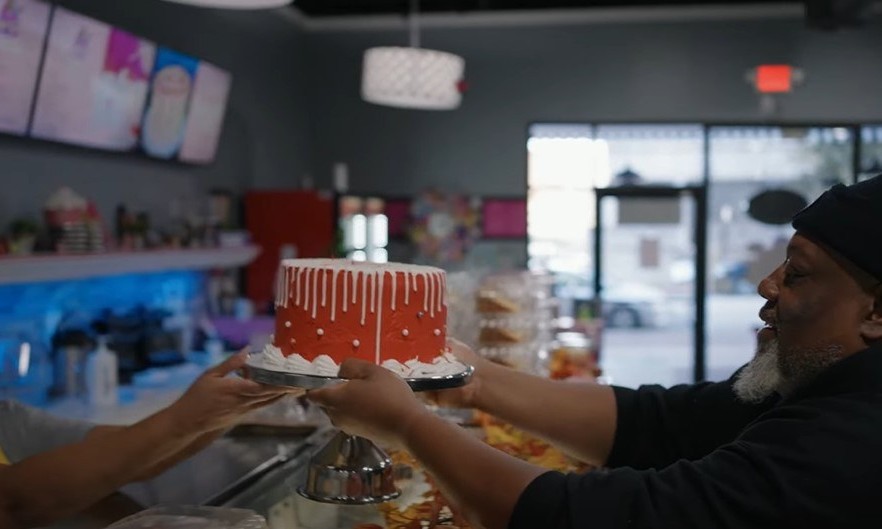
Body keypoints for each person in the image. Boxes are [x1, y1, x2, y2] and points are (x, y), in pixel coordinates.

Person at [308, 175, 882, 529]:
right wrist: (474, 377)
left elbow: (595, 517)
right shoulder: (812, 380)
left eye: (799, 275)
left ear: (876, 313)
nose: (768, 285)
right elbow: (654, 424)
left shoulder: (852, 439)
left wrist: (408, 425)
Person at [0, 351, 296, 529]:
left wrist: (234, 405)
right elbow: (13, 503)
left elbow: (130, 455)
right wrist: (186, 417)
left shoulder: (9, 417)